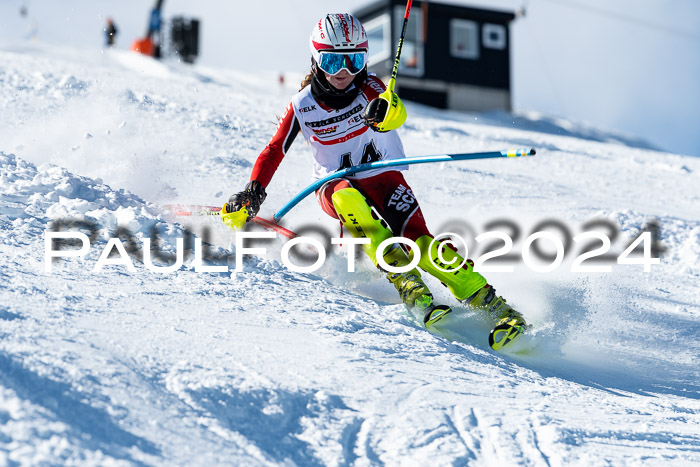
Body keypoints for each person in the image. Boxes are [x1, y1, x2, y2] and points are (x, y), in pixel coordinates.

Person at [225, 13, 525, 331]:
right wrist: (253, 189)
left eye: (353, 60)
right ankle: (407, 283)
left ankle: (492, 305)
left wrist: (383, 112)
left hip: (383, 178)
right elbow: (274, 150)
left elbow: (393, 111)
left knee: (422, 245)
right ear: (315, 60)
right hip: (333, 186)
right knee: (348, 199)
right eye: (331, 62)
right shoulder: (303, 105)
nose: (343, 72)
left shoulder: (371, 88)